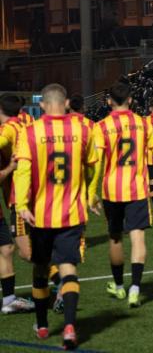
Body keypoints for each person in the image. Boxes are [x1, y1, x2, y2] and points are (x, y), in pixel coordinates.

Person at [12, 84, 98, 348]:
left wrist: (22, 204)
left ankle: (42, 325)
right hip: (72, 213)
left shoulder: (31, 131)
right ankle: (70, 326)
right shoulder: (84, 129)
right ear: (67, 104)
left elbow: (23, 170)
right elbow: (93, 166)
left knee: (40, 268)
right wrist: (90, 194)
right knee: (68, 268)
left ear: (43, 105)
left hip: (40, 215)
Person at [93, 83, 153, 309]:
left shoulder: (101, 127)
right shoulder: (142, 125)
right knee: (138, 238)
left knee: (115, 238)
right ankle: (135, 288)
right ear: (131, 100)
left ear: (109, 101)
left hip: (112, 190)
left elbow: (95, 163)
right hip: (137, 190)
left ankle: (119, 286)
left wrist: (90, 192)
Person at [0, 94, 34, 314]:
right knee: (23, 251)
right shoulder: (28, 121)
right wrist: (10, 168)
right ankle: (61, 280)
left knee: (6, 249)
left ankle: (9, 299)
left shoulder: (8, 129)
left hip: (19, 195)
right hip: (26, 193)